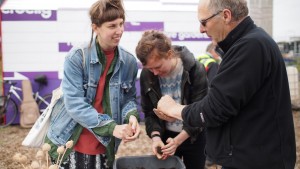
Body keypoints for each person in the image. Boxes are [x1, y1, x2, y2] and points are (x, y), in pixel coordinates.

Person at [155, 0, 297, 169]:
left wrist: (174, 109)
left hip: (255, 161)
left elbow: (215, 109)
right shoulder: (248, 43)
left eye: (203, 22)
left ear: (226, 15)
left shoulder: (250, 46)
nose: (201, 29)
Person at [45, 0, 140, 168]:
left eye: (121, 24)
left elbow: (129, 98)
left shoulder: (129, 61)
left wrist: (131, 115)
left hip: (105, 144)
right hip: (70, 141)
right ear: (95, 27)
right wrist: (112, 127)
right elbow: (74, 104)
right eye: (112, 26)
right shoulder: (76, 57)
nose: (119, 31)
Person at [135, 30, 208, 169]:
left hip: (193, 137)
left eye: (157, 67)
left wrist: (178, 141)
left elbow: (200, 113)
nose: (155, 73)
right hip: (165, 135)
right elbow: (149, 112)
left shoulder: (195, 70)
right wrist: (156, 137)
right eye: (150, 69)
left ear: (169, 54)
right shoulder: (147, 74)